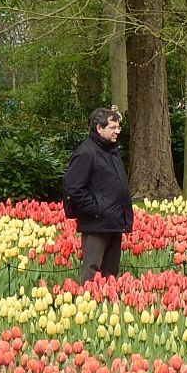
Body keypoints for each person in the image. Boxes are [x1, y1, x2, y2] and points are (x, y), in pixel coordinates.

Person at [64, 108, 134, 283]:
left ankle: (108, 307)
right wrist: (97, 210)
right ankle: (88, 306)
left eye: (118, 127)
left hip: (114, 221)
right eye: (112, 127)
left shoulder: (112, 151)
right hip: (96, 223)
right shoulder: (86, 152)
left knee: (111, 274)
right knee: (92, 273)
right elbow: (74, 189)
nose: (117, 131)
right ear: (99, 128)